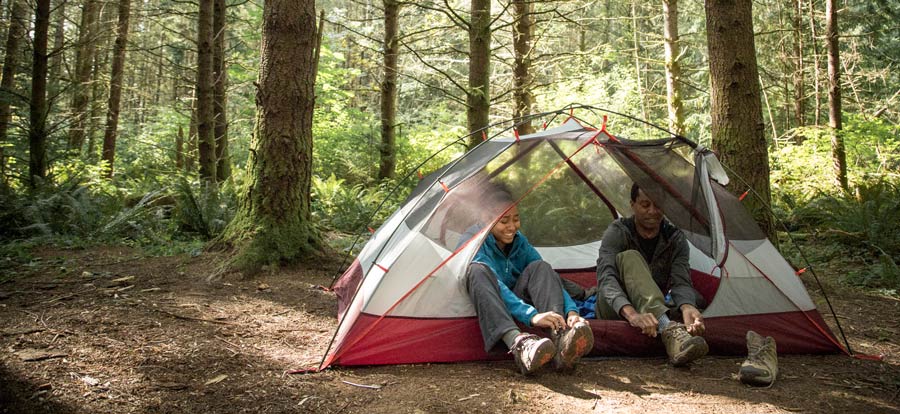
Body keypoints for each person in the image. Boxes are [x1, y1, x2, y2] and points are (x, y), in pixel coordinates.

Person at [466, 197, 594, 375]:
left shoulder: (520, 241)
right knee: (477, 270)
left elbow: (549, 277)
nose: (512, 227)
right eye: (504, 221)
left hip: (518, 299)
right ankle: (520, 345)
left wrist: (571, 311)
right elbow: (498, 285)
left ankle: (562, 338)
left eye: (516, 219)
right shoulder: (472, 242)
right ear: (485, 220)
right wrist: (531, 316)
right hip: (493, 302)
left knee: (541, 267)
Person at [595, 183, 709, 366]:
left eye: (658, 206)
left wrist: (687, 306)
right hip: (616, 306)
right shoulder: (618, 232)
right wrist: (632, 315)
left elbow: (681, 279)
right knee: (630, 257)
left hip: (652, 306)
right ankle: (669, 330)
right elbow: (606, 278)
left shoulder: (674, 237)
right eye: (645, 205)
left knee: (694, 301)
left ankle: (669, 326)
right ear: (633, 205)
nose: (652, 211)